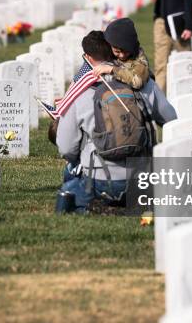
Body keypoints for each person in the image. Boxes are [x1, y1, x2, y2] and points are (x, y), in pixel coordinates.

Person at [55, 32, 177, 214]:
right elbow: (171, 120)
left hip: (98, 180)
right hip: (142, 179)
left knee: (68, 191)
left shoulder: (81, 91)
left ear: (88, 57)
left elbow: (66, 147)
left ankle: (90, 208)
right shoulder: (143, 83)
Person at [92, 18, 151, 90]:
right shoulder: (108, 47)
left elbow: (138, 81)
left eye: (126, 51)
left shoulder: (138, 56)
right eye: (117, 51)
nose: (122, 55)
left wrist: (112, 70)